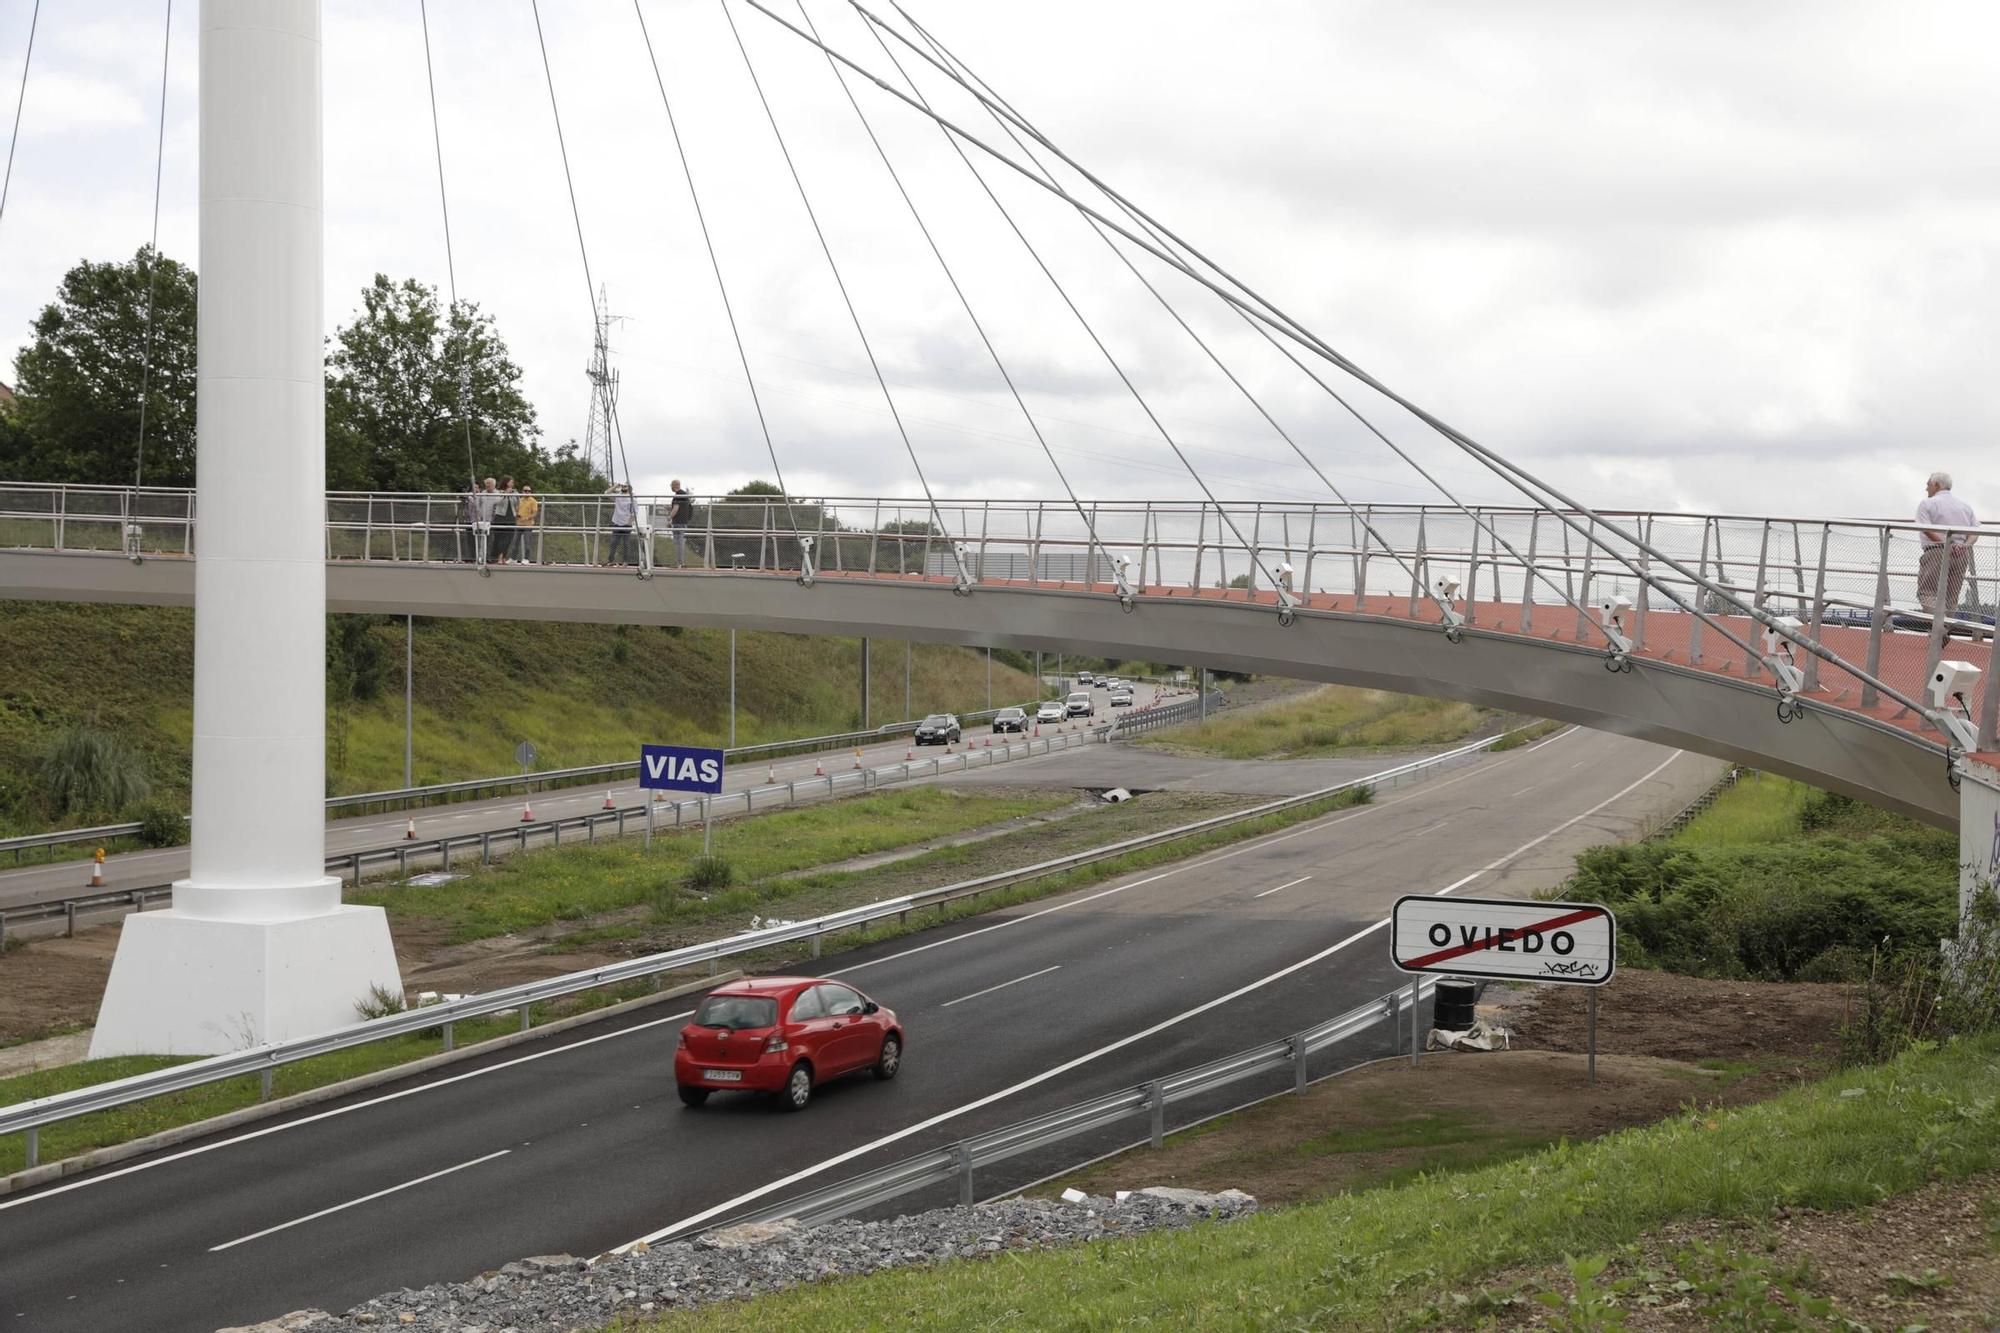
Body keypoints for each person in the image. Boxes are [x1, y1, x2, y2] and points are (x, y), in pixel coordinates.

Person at [1915, 471, 1978, 616]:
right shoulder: (1965, 506)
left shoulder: (1927, 504)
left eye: (1928, 484)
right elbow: (1975, 532)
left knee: (1926, 592)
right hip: (1961, 554)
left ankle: (1937, 629)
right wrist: (1964, 545)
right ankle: (1945, 630)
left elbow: (1925, 528)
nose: (1927, 488)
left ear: (1936, 485)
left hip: (1936, 551)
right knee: (1951, 596)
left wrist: (1947, 544)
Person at [489, 476, 519, 564]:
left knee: (509, 538)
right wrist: (506, 493)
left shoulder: (514, 492)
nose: (512, 484)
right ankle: (499, 557)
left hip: (511, 517)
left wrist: (515, 495)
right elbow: (497, 502)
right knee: (500, 538)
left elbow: (517, 503)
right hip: (500, 517)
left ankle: (503, 557)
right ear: (507, 483)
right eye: (511, 482)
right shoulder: (498, 492)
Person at [473, 476, 500, 565]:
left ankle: (489, 557)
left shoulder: (498, 494)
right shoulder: (482, 493)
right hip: (482, 520)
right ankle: (480, 557)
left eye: (489, 484)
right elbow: (477, 505)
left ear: (493, 484)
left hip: (493, 521)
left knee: (491, 540)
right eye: (486, 484)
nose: (487, 485)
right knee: (481, 539)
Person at [606, 483, 635, 566]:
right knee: (613, 543)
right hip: (617, 523)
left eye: (625, 486)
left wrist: (629, 523)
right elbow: (606, 493)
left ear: (629, 489)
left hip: (627, 524)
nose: (623, 487)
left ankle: (625, 562)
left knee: (626, 544)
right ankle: (610, 561)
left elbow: (634, 513)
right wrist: (616, 485)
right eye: (623, 486)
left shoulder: (632, 499)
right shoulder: (618, 496)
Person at [668, 479, 694, 566]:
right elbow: (689, 508)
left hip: (677, 522)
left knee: (678, 543)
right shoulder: (685, 495)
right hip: (684, 522)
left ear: (674, 485)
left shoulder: (678, 495)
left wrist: (669, 518)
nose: (671, 487)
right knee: (681, 542)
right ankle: (681, 562)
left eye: (671, 485)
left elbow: (675, 509)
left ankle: (679, 562)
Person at [515, 485, 539, 564]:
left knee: (527, 542)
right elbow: (516, 510)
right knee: (515, 541)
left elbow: (534, 513)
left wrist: (527, 518)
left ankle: (526, 558)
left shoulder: (533, 501)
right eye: (525, 491)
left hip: (528, 525)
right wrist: (517, 515)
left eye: (529, 491)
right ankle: (513, 558)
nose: (527, 492)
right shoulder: (520, 500)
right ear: (522, 491)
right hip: (519, 524)